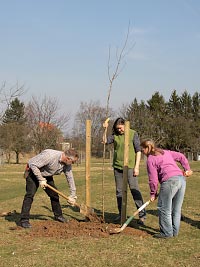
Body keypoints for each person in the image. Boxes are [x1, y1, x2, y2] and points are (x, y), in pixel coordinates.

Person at [140, 139, 193, 238]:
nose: (142, 152)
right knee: (176, 209)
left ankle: (166, 233)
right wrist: (187, 169)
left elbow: (153, 179)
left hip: (170, 182)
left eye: (142, 149)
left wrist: (153, 193)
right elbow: (181, 156)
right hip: (181, 180)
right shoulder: (165, 152)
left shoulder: (151, 159)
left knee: (164, 208)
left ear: (147, 148)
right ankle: (174, 232)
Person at [18, 148, 78, 228]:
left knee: (54, 195)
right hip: (32, 172)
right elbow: (33, 165)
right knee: (30, 195)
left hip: (46, 175)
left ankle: (58, 216)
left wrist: (72, 195)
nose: (72, 164)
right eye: (73, 162)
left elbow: (70, 178)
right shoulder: (50, 155)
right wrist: (41, 179)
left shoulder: (67, 164)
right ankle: (24, 220)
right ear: (67, 158)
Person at [103, 117, 146, 224]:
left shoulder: (133, 134)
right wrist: (105, 129)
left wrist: (137, 167)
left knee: (134, 190)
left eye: (121, 128)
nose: (119, 130)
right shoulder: (115, 135)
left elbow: (138, 151)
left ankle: (142, 215)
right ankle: (121, 214)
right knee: (119, 191)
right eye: (117, 128)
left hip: (130, 167)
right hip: (118, 167)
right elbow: (104, 141)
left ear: (125, 126)